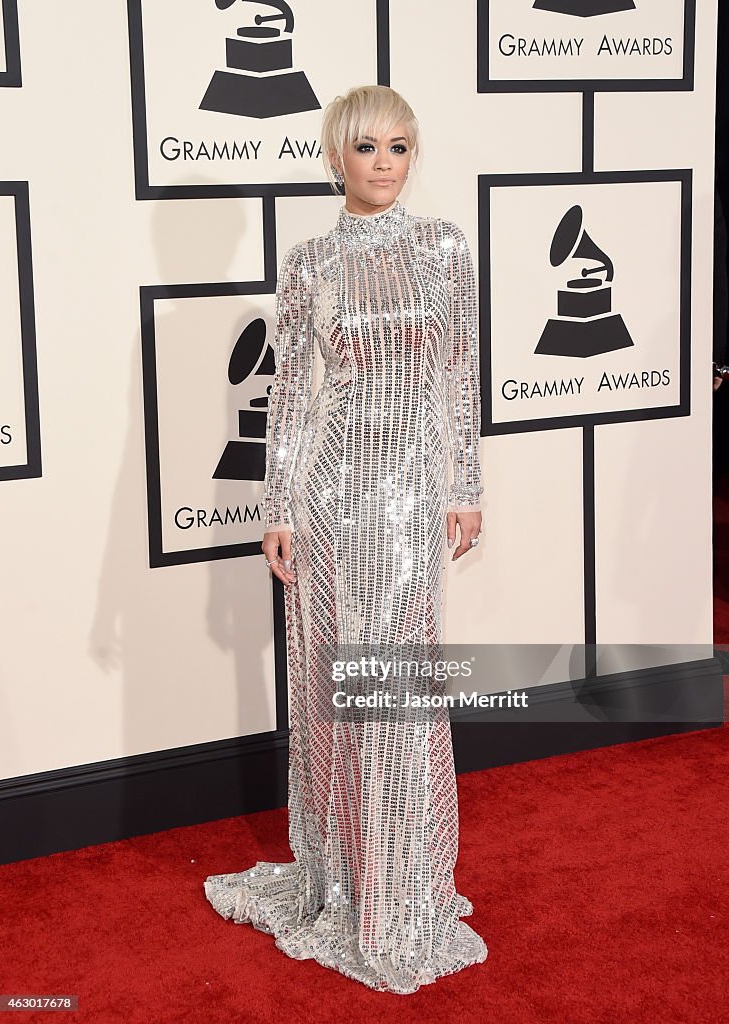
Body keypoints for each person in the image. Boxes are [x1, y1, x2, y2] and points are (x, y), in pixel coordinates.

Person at [204, 84, 488, 994]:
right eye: (367, 146)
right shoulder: (310, 263)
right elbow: (288, 399)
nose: (385, 164)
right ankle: (342, 878)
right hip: (331, 498)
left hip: (409, 499)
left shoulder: (446, 249)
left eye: (401, 147)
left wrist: (464, 486)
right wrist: (279, 507)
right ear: (335, 157)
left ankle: (402, 884)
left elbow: (461, 376)